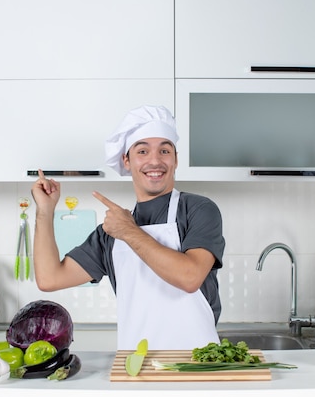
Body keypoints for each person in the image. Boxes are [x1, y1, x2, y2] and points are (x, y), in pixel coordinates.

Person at [30, 105, 226, 350]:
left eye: (164, 150)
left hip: (199, 364)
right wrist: (45, 211)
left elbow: (189, 278)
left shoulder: (198, 209)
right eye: (142, 151)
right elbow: (50, 278)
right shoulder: (111, 231)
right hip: (135, 366)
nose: (155, 161)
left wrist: (129, 232)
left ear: (175, 159)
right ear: (127, 160)